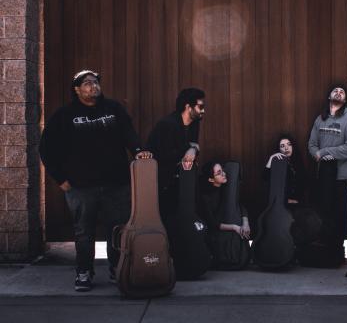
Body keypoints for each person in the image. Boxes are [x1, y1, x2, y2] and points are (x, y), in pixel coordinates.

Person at [39, 69, 152, 292]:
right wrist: (60, 179)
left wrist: (138, 150)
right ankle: (84, 272)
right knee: (84, 231)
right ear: (77, 89)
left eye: (96, 82)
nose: (93, 86)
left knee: (116, 229)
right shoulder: (65, 114)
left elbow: (129, 133)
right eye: (88, 83)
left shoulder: (113, 109)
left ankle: (116, 269)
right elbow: (46, 148)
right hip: (81, 186)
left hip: (116, 183)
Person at [308, 84, 347, 244]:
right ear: (329, 97)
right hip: (323, 173)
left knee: (339, 215)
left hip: (342, 176)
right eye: (335, 91)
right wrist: (318, 154)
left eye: (342, 92)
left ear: (345, 100)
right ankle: (323, 250)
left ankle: (337, 250)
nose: (338, 93)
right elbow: (311, 145)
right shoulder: (320, 118)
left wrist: (325, 152)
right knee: (323, 213)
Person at [146, 88, 205, 224]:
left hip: (182, 181)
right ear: (188, 107)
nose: (203, 110)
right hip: (162, 185)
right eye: (200, 106)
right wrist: (191, 148)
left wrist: (192, 149)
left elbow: (192, 149)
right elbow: (165, 156)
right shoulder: (167, 125)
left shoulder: (194, 123)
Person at [199, 161, 251, 269]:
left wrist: (245, 223)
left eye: (223, 170)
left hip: (228, 223)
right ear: (211, 179)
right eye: (219, 173)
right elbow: (213, 224)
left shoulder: (226, 187)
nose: (224, 174)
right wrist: (234, 227)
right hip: (215, 231)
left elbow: (240, 205)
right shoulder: (206, 197)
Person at [264, 134, 306, 207]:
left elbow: (304, 183)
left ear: (293, 146)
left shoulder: (298, 162)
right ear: (279, 149)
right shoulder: (278, 163)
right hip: (281, 203)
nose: (286, 148)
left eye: (289, 144)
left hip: (299, 202)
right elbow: (265, 178)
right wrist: (271, 159)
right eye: (282, 146)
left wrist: (298, 200)